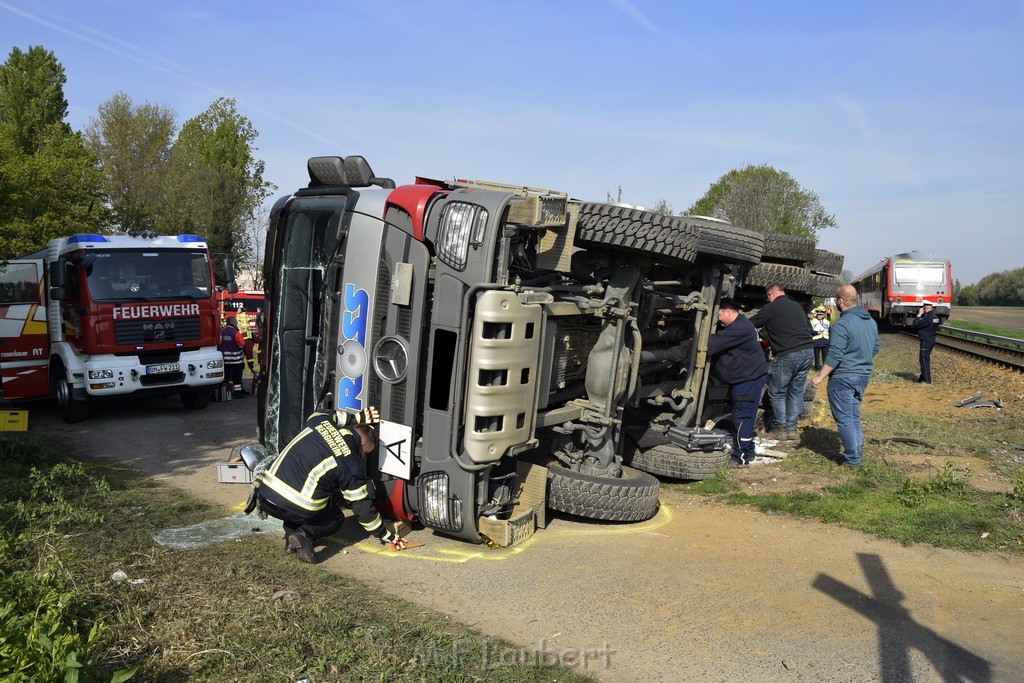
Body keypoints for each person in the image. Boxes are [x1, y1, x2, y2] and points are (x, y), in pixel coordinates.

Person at [253, 406, 408, 563]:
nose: (363, 456)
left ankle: (291, 534)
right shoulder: (351, 463)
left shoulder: (320, 422)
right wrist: (383, 534)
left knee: (303, 494)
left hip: (265, 495)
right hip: (295, 506)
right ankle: (304, 535)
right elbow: (361, 505)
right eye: (365, 453)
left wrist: (357, 418)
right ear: (362, 445)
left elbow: (323, 412)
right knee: (334, 517)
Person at [810, 285, 880, 467]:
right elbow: (875, 348)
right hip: (862, 376)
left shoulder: (842, 324)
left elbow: (835, 355)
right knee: (853, 416)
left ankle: (852, 459)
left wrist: (820, 377)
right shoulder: (871, 322)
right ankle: (857, 449)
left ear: (840, 301)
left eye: (835, 299)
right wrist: (860, 360)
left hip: (843, 378)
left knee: (845, 419)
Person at [747, 283, 814, 441]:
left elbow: (749, 324)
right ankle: (792, 429)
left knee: (777, 392)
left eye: (768, 298)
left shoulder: (771, 308)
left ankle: (780, 428)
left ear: (770, 295)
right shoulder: (796, 306)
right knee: (796, 392)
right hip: (808, 351)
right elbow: (808, 328)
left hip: (788, 354)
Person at [706, 299, 769, 467]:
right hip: (746, 376)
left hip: (748, 379)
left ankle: (740, 458)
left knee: (742, 417)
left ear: (728, 311)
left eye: (719, 315)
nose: (718, 319)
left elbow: (711, 344)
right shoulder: (738, 325)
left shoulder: (740, 328)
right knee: (744, 416)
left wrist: (692, 340)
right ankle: (749, 452)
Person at [912, 301, 941, 384]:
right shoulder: (935, 317)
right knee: (924, 358)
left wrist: (918, 315)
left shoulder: (927, 318)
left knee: (924, 359)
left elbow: (916, 323)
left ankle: (927, 380)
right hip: (931, 339)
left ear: (924, 308)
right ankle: (922, 377)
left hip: (925, 340)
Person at [219, 315, 247, 398]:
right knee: (237, 379)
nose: (237, 323)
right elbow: (241, 344)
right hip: (236, 361)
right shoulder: (236, 333)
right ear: (233, 323)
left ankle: (222, 395)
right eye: (236, 322)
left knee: (224, 379)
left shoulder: (221, 332)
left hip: (224, 361)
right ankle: (238, 394)